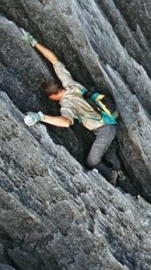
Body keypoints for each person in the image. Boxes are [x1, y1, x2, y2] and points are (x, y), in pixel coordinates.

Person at [21, 31, 121, 185]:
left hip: (104, 129)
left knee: (92, 162)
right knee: (108, 151)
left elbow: (66, 122)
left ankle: (112, 174)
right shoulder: (70, 84)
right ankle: (119, 169)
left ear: (52, 96)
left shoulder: (68, 104)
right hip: (107, 122)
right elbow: (54, 60)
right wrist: (34, 42)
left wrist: (40, 117)